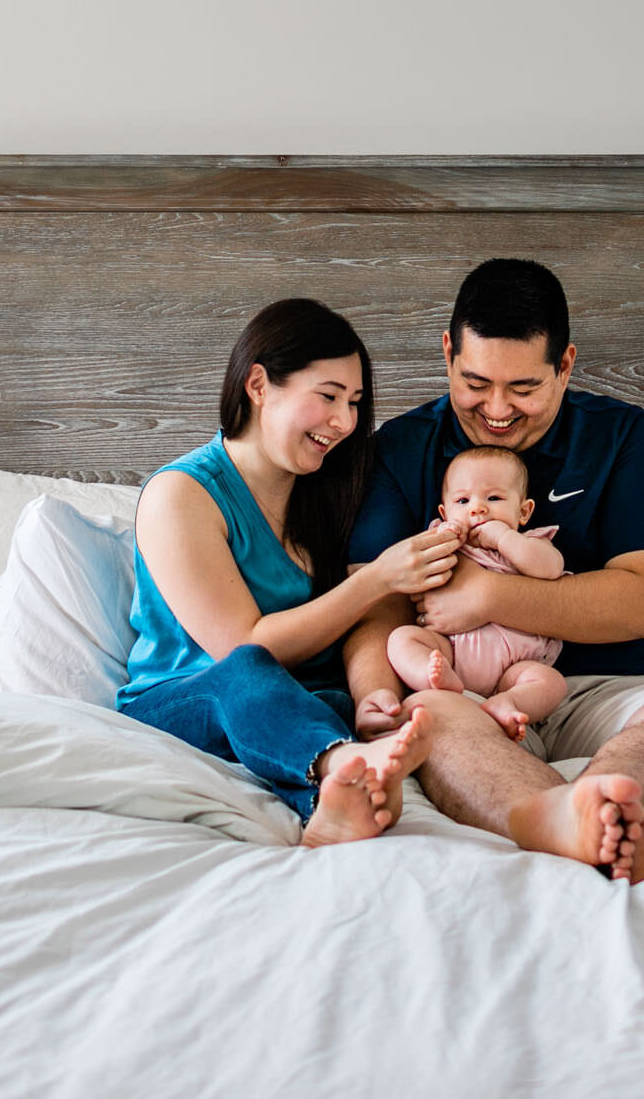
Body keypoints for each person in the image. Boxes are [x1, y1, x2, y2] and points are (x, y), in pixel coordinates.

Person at [344, 260, 644, 882]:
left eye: (525, 388)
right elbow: (373, 606)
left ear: (564, 365)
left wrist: (486, 594)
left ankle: (604, 803)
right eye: (475, 383)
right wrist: (373, 695)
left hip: (603, 686)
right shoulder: (399, 452)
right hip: (467, 689)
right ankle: (567, 819)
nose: (498, 410)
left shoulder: (622, 438)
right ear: (448, 352)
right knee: (434, 722)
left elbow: (642, 603)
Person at [117, 298, 462, 846]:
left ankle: (335, 801)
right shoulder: (180, 495)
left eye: (353, 403)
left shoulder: (321, 495)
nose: (346, 422)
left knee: (333, 702)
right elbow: (245, 646)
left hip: (286, 704)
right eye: (327, 396)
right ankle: (349, 766)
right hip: (187, 701)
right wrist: (376, 578)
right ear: (258, 385)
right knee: (249, 670)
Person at [386, 445, 567, 742]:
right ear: (444, 511)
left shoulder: (529, 543)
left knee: (551, 683)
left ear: (524, 511)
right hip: (451, 652)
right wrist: (446, 537)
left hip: (515, 669)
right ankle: (435, 680)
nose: (477, 508)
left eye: (493, 498)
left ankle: (509, 703)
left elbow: (550, 569)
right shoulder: (442, 541)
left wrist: (503, 537)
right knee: (401, 640)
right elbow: (411, 573)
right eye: (462, 500)